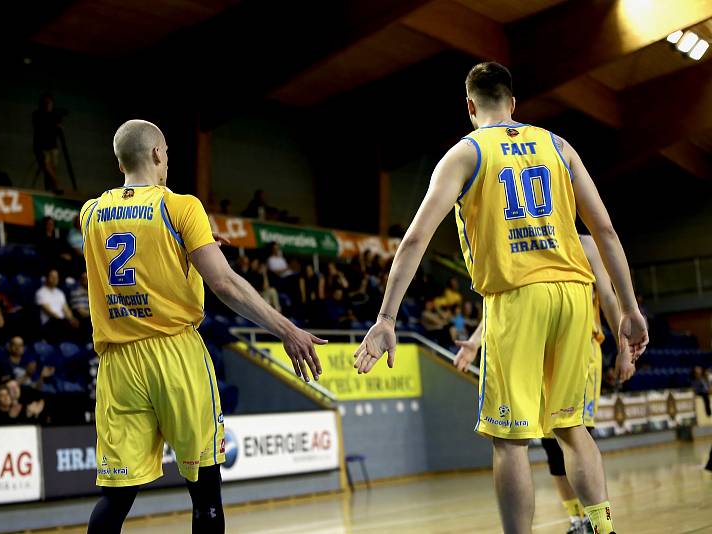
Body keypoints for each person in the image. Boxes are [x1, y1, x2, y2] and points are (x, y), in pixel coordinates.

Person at [353, 62, 648, 534]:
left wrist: (386, 316)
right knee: (573, 428)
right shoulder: (559, 146)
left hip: (516, 296)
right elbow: (605, 230)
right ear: (514, 103)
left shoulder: (465, 153)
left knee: (510, 442)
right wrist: (630, 309)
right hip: (574, 294)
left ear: (470, 107)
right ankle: (602, 526)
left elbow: (413, 241)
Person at [81, 120, 326, 534]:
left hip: (118, 362)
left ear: (119, 160)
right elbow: (225, 283)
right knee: (205, 491)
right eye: (167, 155)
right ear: (158, 153)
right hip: (175, 355)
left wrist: (187, 241)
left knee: (117, 496)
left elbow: (135, 248)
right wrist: (287, 329)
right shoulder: (181, 206)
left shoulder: (90, 212)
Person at [454, 234, 624, 533]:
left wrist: (624, 346)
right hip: (536, 337)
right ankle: (579, 519)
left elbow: (609, 295)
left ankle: (598, 521)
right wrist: (476, 340)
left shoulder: (584, 244)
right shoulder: (527, 235)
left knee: (572, 430)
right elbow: (512, 294)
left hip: (582, 342)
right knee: (552, 442)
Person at [35, 269, 80, 343]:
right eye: (52, 277)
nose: (55, 279)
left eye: (56, 277)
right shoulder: (41, 292)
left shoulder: (60, 293)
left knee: (77, 322)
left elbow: (66, 309)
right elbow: (49, 312)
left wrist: (71, 319)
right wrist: (64, 321)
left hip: (61, 322)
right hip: (49, 323)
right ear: (46, 278)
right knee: (61, 324)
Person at [33, 93, 63, 193]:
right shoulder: (38, 115)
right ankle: (57, 184)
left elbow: (58, 128)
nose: (47, 105)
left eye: (49, 103)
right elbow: (39, 129)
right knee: (46, 166)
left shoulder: (54, 115)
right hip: (42, 147)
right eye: (45, 103)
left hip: (53, 146)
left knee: (52, 168)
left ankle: (51, 188)